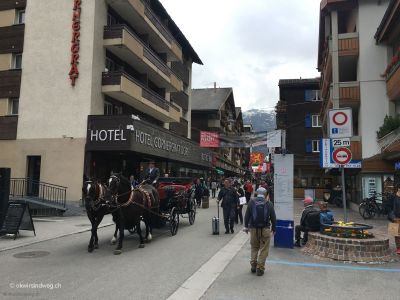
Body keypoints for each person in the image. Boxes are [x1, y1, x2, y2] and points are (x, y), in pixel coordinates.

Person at [243, 187, 276, 276]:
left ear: (257, 193)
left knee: (254, 247)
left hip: (253, 229)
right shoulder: (269, 203)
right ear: (265, 194)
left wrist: (246, 227)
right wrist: (274, 229)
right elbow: (273, 217)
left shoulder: (251, 202)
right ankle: (260, 268)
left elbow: (247, 216)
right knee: (264, 249)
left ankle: (253, 264)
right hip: (265, 229)